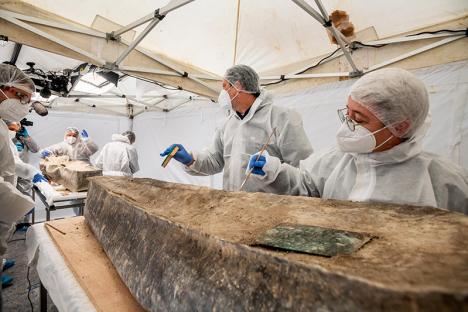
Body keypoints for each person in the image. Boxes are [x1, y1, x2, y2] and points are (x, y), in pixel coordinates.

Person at [248, 68, 468, 214]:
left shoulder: (445, 182)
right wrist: (275, 172)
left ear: (400, 126)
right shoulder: (336, 159)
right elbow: (307, 186)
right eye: (347, 114)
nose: (347, 126)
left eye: (359, 119)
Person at [160, 64, 313, 192]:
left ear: (238, 86)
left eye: (225, 86)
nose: (221, 93)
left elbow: (303, 171)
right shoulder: (226, 124)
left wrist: (274, 170)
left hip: (271, 211)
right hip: (233, 208)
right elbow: (215, 161)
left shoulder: (281, 117)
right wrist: (190, 159)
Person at [0, 64, 36, 301]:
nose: (22, 104)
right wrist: (19, 204)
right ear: (4, 88)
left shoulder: (2, 125)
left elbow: (9, 163)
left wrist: (33, 173)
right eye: (19, 96)